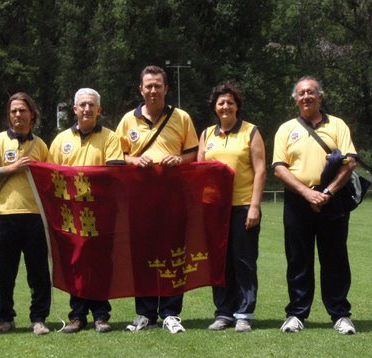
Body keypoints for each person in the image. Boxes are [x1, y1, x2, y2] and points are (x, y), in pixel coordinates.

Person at [116, 65, 198, 333]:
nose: (153, 90)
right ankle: (145, 312)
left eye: (157, 86)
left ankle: (171, 312)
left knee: (174, 255)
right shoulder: (128, 120)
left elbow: (194, 153)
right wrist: (134, 159)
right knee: (142, 256)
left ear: (166, 89)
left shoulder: (181, 117)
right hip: (140, 200)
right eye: (148, 86)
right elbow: (119, 156)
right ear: (140, 89)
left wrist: (179, 159)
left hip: (174, 198)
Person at [272, 76, 358, 334]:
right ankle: (297, 314)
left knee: (335, 259)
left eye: (311, 92)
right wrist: (307, 194)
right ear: (295, 99)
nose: (306, 96)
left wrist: (328, 192)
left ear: (320, 96)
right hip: (298, 201)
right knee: (298, 259)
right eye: (301, 93)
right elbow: (279, 167)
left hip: (333, 200)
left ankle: (340, 314)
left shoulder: (338, 125)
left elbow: (350, 161)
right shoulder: (286, 128)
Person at [50, 88, 125, 333]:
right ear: (74, 109)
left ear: (99, 110)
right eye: (82, 105)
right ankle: (77, 316)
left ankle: (101, 315)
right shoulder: (61, 140)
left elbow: (113, 172)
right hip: (71, 214)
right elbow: (53, 176)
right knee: (76, 262)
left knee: (101, 263)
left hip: (102, 212)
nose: (86, 109)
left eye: (91, 105)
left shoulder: (111, 138)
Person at [0, 92, 51, 335]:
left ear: (32, 114)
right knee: (5, 272)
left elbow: (50, 179)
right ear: (9, 115)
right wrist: (13, 167)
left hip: (34, 216)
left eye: (23, 110)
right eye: (14, 111)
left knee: (38, 271)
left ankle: (39, 318)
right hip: (4, 215)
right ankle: (5, 318)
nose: (18, 115)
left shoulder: (40, 145)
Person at [197, 83, 266, 332]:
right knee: (220, 262)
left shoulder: (251, 132)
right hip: (215, 210)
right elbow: (200, 172)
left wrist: (255, 207)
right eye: (221, 103)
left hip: (243, 205)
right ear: (214, 107)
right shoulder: (206, 134)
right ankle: (224, 312)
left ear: (237, 106)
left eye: (230, 102)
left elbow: (260, 170)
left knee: (243, 261)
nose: (225, 106)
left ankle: (244, 313)